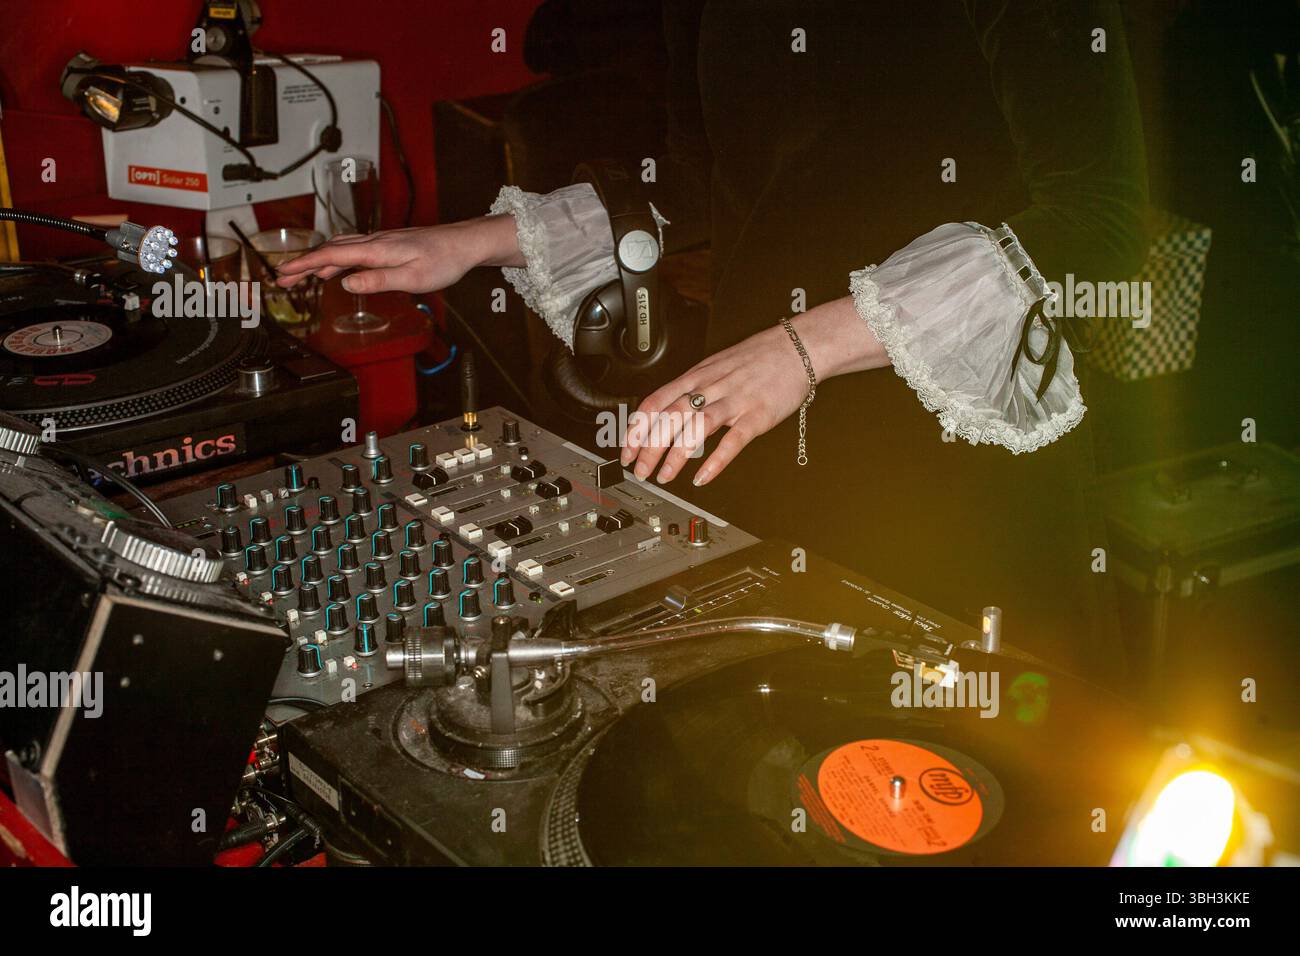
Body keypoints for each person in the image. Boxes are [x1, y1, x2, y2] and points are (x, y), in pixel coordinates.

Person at [278, 1, 1148, 682]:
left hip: (956, 464)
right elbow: (693, 183)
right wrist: (471, 242)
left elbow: (1099, 224)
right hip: (771, 443)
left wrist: (802, 347)